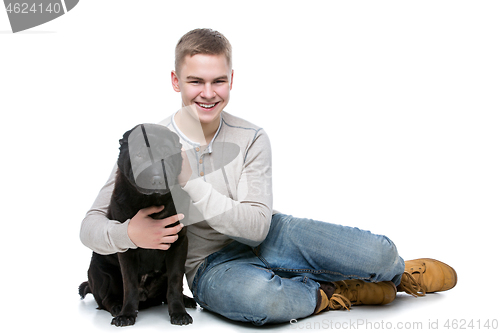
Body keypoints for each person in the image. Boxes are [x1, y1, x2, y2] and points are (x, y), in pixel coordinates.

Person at [80, 28, 457, 326]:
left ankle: (397, 275)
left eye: (218, 81)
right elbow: (90, 226)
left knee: (381, 253)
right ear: (176, 82)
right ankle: (339, 290)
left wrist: (190, 179)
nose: (208, 94)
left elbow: (257, 228)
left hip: (267, 233)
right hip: (210, 265)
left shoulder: (252, 137)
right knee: (265, 300)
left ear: (232, 80)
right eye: (196, 81)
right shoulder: (148, 142)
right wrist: (128, 234)